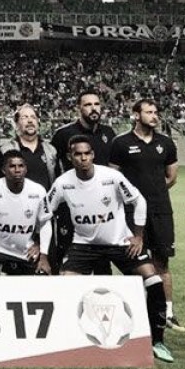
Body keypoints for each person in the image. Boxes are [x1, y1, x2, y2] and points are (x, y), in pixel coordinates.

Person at [44, 136, 172, 362]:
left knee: (153, 282)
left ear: (93, 155)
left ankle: (157, 340)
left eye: (87, 154)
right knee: (64, 284)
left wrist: (138, 236)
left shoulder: (111, 177)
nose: (83, 158)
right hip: (84, 245)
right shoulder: (63, 183)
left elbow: (138, 201)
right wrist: (39, 243)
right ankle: (69, 338)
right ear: (69, 157)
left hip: (121, 243)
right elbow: (45, 213)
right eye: (77, 154)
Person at [110, 99, 183, 332]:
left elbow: (171, 176)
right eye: (149, 112)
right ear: (136, 115)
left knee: (162, 261)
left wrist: (154, 194)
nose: (154, 116)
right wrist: (135, 199)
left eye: (155, 112)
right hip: (131, 214)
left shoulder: (166, 143)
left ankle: (167, 312)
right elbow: (114, 179)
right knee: (135, 261)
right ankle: (137, 310)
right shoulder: (120, 143)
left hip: (161, 210)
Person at [49, 90, 117, 273]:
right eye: (88, 105)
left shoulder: (109, 133)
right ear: (78, 108)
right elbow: (53, 168)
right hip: (72, 207)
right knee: (69, 256)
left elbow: (114, 170)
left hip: (102, 207)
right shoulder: (63, 134)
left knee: (102, 261)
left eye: (96, 104)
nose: (93, 108)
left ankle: (102, 300)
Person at [0, 150, 52, 276]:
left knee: (43, 276)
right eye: (12, 166)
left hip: (25, 250)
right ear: (4, 170)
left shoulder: (38, 191)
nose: (17, 170)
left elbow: (45, 222)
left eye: (21, 166)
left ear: (26, 169)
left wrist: (44, 253)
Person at [0, 104, 56, 190]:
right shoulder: (4, 151)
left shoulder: (51, 150)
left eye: (33, 117)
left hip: (44, 201)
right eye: (25, 117)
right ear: (16, 124)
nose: (30, 121)